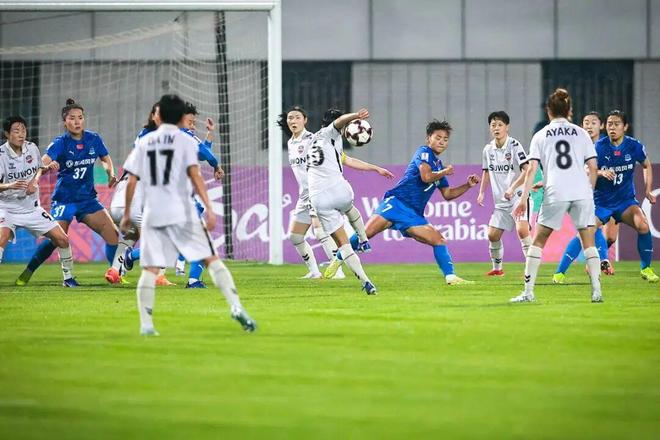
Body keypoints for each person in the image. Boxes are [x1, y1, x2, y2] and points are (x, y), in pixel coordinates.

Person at [120, 94, 256, 335]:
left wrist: (127, 213)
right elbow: (195, 175)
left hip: (153, 212)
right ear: (181, 117)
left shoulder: (145, 141)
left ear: (159, 116)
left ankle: (146, 325)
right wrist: (210, 208)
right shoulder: (185, 141)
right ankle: (236, 306)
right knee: (212, 259)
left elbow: (132, 181)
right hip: (182, 210)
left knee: (150, 270)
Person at [324, 119, 479, 285]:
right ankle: (338, 258)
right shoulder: (424, 152)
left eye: (445, 139)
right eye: (438, 137)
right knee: (365, 234)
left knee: (438, 240)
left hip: (413, 214)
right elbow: (426, 177)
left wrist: (467, 186)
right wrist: (444, 172)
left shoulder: (438, 165)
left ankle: (451, 277)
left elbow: (447, 194)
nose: (442, 141)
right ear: (429, 139)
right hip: (397, 202)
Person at [510, 88, 602, 303]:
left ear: (548, 111)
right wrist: (589, 192)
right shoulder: (581, 133)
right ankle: (597, 291)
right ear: (569, 110)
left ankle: (528, 292)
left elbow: (531, 170)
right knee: (588, 242)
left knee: (538, 241)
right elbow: (593, 168)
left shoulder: (541, 135)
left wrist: (523, 199)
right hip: (581, 192)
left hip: (555, 192)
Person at [15, 99, 119, 287]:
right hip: (64, 200)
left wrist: (110, 173)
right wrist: (42, 173)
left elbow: (105, 158)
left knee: (113, 235)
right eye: (72, 118)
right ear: (65, 122)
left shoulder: (94, 139)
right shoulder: (60, 143)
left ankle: (115, 274)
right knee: (56, 239)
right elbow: (41, 164)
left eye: (80, 117)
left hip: (88, 200)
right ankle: (28, 271)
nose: (77, 122)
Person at [307, 108, 392, 294]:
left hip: (318, 198)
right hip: (338, 189)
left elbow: (349, 160)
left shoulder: (313, 141)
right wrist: (355, 116)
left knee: (344, 246)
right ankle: (363, 239)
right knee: (349, 208)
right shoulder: (330, 132)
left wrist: (375, 168)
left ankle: (366, 281)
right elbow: (338, 123)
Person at [0, 116, 73, 282]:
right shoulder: (1, 155)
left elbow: (38, 169)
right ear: (7, 134)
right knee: (1, 238)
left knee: (62, 239)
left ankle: (69, 279)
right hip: (7, 209)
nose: (21, 134)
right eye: (16, 131)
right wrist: (11, 185)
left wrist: (41, 174)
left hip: (32, 208)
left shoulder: (32, 148)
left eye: (23, 130)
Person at [591, 110, 657, 282]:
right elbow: (587, 169)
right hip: (603, 202)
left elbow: (646, 165)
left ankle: (646, 268)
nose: (612, 128)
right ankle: (589, 263)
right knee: (591, 230)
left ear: (625, 127)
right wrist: (600, 172)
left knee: (643, 224)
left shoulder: (634, 146)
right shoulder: (598, 147)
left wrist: (648, 190)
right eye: (609, 124)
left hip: (625, 202)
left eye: (616, 124)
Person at [553, 111, 614, 283]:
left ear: (601, 126)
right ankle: (562, 272)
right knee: (587, 231)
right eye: (586, 122)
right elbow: (575, 168)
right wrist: (599, 172)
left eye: (593, 122)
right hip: (581, 193)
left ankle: (598, 260)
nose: (589, 126)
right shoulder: (577, 145)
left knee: (597, 232)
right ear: (581, 126)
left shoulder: (607, 146)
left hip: (603, 197)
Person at [476, 111, 532, 276]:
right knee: (492, 235)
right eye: (493, 125)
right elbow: (486, 171)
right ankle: (497, 269)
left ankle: (531, 269)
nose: (496, 128)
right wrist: (481, 192)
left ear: (507, 127)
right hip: (501, 201)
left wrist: (512, 188)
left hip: (518, 197)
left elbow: (527, 169)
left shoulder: (514, 145)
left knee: (522, 230)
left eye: (500, 125)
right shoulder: (488, 150)